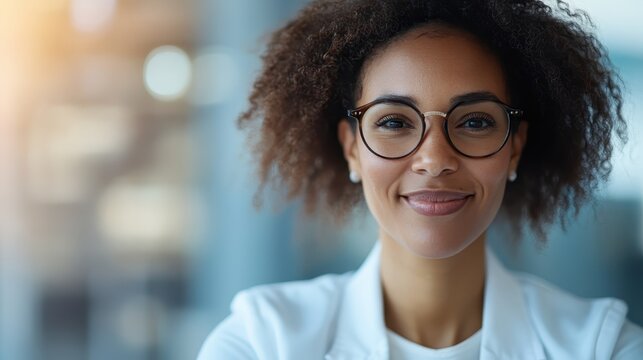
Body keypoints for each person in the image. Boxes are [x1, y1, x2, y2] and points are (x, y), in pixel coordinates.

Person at [198, 0, 643, 358]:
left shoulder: (602, 346)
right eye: (394, 122)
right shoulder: (261, 342)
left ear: (515, 147)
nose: (434, 159)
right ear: (352, 148)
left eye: (474, 122)